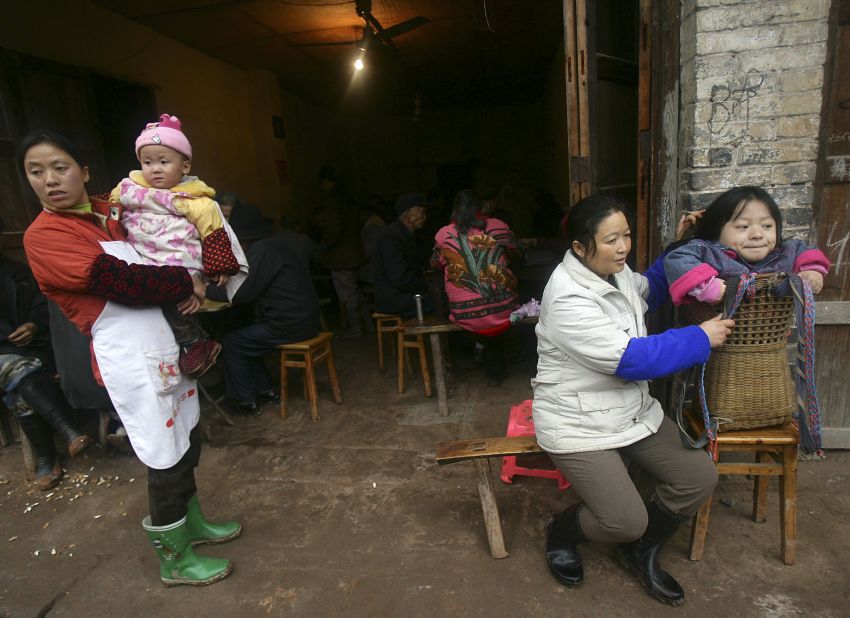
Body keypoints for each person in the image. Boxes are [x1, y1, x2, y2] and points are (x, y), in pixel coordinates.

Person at [20, 130, 239, 587]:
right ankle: (174, 558)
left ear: (84, 171)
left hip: (168, 345)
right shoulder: (44, 235)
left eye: (60, 168)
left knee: (189, 438)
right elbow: (122, 281)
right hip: (132, 357)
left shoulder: (110, 212)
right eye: (35, 172)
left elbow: (170, 221)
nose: (49, 180)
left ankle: (193, 524)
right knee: (164, 457)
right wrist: (185, 282)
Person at [532, 194, 735, 606]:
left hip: (628, 410)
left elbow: (653, 289)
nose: (623, 247)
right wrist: (699, 338)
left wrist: (683, 247)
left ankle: (640, 548)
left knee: (698, 478)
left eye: (625, 236)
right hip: (578, 420)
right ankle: (564, 530)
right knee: (623, 520)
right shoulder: (568, 297)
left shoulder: (615, 273)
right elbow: (631, 360)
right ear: (579, 248)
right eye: (610, 240)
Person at [110, 114, 248, 377]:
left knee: (177, 302)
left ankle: (194, 341)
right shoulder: (129, 189)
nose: (155, 169)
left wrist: (220, 265)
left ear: (185, 167)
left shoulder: (195, 198)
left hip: (180, 258)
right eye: (147, 162)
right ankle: (188, 344)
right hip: (144, 258)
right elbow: (107, 207)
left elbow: (212, 231)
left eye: (164, 162)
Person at [1, 217, 92, 490]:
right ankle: (68, 429)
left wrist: (33, 325)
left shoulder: (17, 272)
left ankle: (47, 458)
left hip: (30, 350)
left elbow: (44, 306)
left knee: (16, 379)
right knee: (13, 369)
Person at [207, 207, 321, 416]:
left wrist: (203, 289)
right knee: (246, 332)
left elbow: (242, 293)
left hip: (291, 325)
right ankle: (265, 390)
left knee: (233, 342)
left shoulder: (262, 250)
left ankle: (245, 401)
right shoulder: (275, 245)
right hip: (306, 319)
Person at [664, 186, 830, 304]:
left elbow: (808, 253)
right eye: (743, 227)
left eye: (767, 226)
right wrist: (705, 286)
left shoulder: (787, 251)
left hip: (771, 338)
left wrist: (812, 272)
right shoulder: (708, 250)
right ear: (717, 231)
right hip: (718, 338)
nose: (757, 235)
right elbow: (677, 259)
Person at [431, 190, 521, 386]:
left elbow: (435, 264)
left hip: (465, 313)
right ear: (482, 208)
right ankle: (495, 365)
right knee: (496, 303)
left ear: (455, 210)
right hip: (503, 308)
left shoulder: (444, 233)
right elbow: (517, 253)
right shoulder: (497, 226)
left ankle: (477, 352)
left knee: (474, 307)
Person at [313, 164, 370, 337]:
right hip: (354, 252)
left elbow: (333, 230)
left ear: (326, 182)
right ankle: (368, 325)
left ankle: (356, 329)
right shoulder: (349, 197)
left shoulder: (332, 201)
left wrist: (324, 245)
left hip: (341, 256)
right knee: (356, 292)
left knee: (347, 294)